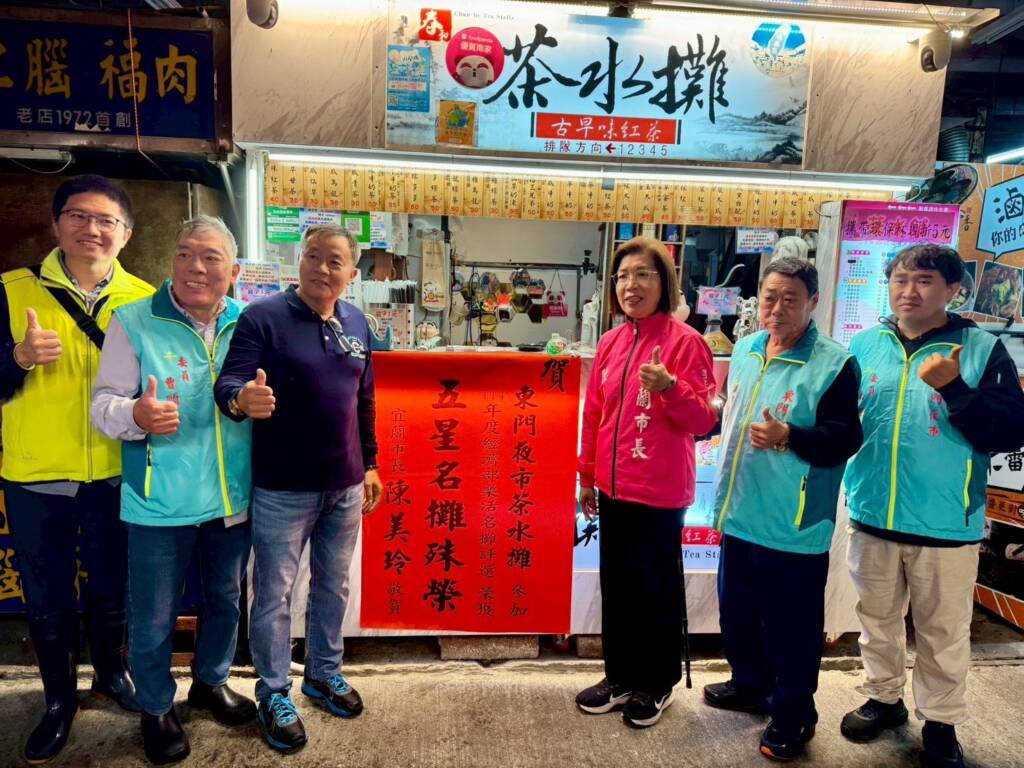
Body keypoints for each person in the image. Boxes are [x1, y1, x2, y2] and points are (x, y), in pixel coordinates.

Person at [842, 245, 1024, 768]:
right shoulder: (866, 344)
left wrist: (955, 389)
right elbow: (844, 423)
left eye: (923, 280)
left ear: (953, 290)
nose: (909, 291)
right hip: (872, 513)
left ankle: (941, 722)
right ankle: (884, 699)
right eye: (900, 280)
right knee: (877, 619)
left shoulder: (981, 348)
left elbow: (1009, 432)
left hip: (946, 522)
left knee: (942, 632)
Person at [90, 216, 257, 764]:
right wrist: (135, 414)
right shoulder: (134, 320)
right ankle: (157, 706)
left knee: (225, 600)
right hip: (159, 499)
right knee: (154, 613)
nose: (195, 268)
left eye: (210, 258)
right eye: (185, 254)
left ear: (234, 271)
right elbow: (102, 406)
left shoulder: (248, 323)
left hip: (231, 497)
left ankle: (210, 682)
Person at [0, 175, 154, 763]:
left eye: (106, 220)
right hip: (37, 475)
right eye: (78, 216)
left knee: (113, 586)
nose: (92, 229)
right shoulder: (11, 292)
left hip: (118, 473)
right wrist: (18, 358)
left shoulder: (146, 299)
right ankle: (59, 701)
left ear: (126, 234)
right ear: (56, 223)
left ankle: (112, 676)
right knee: (47, 595)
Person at [214, 224, 383, 754]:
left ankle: (323, 673)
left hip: (345, 485)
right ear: (300, 261)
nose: (321, 268)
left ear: (351, 273)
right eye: (313, 256)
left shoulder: (357, 323)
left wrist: (370, 464)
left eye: (334, 261)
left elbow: (364, 400)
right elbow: (228, 382)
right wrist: (241, 399)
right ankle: (273, 691)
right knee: (274, 593)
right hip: (282, 487)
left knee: (333, 585)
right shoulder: (262, 317)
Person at [705, 256, 863, 761]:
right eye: (769, 298)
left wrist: (789, 436)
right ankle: (750, 685)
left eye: (790, 299)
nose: (776, 308)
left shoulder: (834, 363)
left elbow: (845, 439)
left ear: (813, 302)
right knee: (738, 612)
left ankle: (794, 717)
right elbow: (728, 413)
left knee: (791, 630)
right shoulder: (747, 348)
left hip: (792, 522)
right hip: (739, 511)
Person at [575, 237, 717, 728]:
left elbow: (703, 421)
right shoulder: (611, 342)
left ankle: (657, 684)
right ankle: (619, 676)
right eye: (622, 276)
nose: (630, 285)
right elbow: (595, 415)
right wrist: (587, 476)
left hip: (660, 492)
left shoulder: (687, 342)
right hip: (612, 489)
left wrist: (671, 388)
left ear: (665, 283)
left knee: (655, 590)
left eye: (642, 275)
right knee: (618, 588)